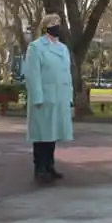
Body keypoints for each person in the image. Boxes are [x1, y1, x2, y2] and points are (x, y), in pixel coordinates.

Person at [23, 13, 74, 184]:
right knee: (41, 135)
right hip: (44, 97)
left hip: (59, 97)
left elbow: (67, 74)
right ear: (45, 26)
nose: (57, 25)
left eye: (59, 22)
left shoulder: (63, 48)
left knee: (52, 134)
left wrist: (69, 95)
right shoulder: (36, 47)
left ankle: (50, 165)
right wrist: (37, 96)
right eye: (53, 22)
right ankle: (40, 167)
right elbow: (32, 74)